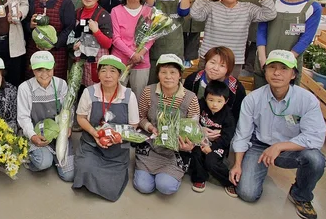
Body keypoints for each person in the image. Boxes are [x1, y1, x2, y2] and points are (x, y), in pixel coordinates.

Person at [230, 50, 326, 219]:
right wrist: (237, 164)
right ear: (265, 71)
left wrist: (279, 147)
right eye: (272, 67)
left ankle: (300, 195)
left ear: (293, 74)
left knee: (315, 159)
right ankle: (256, 169)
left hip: (290, 148)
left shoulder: (307, 100)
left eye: (283, 68)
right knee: (247, 193)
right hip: (259, 146)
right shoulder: (253, 99)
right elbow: (243, 134)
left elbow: (315, 137)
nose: (276, 73)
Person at [73, 55, 139, 202]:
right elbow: (80, 118)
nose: (107, 75)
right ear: (98, 74)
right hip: (92, 144)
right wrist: (94, 133)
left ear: (119, 75)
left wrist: (117, 137)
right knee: (84, 168)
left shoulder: (128, 95)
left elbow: (134, 124)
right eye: (103, 71)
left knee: (111, 184)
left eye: (113, 71)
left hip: (118, 147)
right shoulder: (89, 92)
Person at [134, 55, 200, 196]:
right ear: (158, 74)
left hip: (175, 152)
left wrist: (189, 145)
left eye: (173, 72)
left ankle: (172, 173)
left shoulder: (190, 98)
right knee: (143, 186)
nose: (168, 76)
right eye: (163, 72)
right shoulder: (148, 91)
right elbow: (140, 117)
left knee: (165, 187)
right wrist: (150, 128)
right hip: (151, 146)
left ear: (180, 75)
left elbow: (194, 129)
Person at [189, 0, 277, 75]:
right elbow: (195, 14)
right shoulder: (211, 6)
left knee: (229, 89)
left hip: (234, 60)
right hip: (209, 58)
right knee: (204, 87)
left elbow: (270, 14)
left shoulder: (248, 8)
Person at [255, 0, 322, 87]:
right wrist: (263, 60)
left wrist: (285, 63)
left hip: (290, 63)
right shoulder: (273, 2)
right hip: (265, 58)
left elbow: (306, 39)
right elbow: (261, 31)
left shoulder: (313, 8)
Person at [17, 51, 73, 181]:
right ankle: (37, 155)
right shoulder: (25, 88)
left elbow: (68, 109)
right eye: (39, 70)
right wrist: (33, 136)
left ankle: (53, 154)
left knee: (68, 175)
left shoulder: (61, 84)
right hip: (37, 133)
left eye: (48, 69)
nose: (44, 74)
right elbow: (23, 117)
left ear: (54, 67)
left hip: (58, 133)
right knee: (43, 163)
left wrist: (68, 126)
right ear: (33, 70)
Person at [24, 0, 76, 80]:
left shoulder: (65, 2)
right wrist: (30, 26)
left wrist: (54, 44)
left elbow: (69, 28)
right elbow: (25, 26)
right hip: (35, 52)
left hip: (57, 54)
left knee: (55, 86)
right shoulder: (34, 1)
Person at [111, 0, 155, 98]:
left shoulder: (149, 12)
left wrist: (139, 54)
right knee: (117, 96)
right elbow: (115, 38)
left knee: (139, 97)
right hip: (120, 60)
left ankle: (137, 118)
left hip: (142, 61)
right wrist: (132, 54)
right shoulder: (116, 11)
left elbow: (151, 37)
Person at [189, 80, 236, 195]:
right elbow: (192, 122)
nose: (214, 104)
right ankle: (199, 178)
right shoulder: (200, 106)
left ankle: (228, 181)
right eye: (211, 100)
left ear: (226, 101)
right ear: (205, 98)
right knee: (196, 153)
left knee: (211, 161)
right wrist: (200, 137)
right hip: (200, 139)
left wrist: (212, 148)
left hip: (218, 144)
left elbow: (226, 137)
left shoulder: (228, 116)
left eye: (219, 101)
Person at [145, 0, 194, 81]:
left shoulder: (180, 0)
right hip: (155, 50)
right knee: (153, 82)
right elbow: (147, 8)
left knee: (173, 82)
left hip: (175, 50)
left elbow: (184, 12)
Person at [183, 46, 247, 122]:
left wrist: (223, 131)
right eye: (212, 62)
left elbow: (238, 116)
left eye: (222, 65)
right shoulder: (193, 80)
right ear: (206, 62)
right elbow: (184, 109)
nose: (215, 68)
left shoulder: (236, 88)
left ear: (229, 69)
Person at [72, 0, 113, 86]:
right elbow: (73, 35)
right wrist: (74, 44)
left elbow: (108, 43)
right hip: (81, 60)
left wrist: (96, 31)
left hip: (97, 61)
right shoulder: (78, 12)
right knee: (81, 89)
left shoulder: (103, 15)